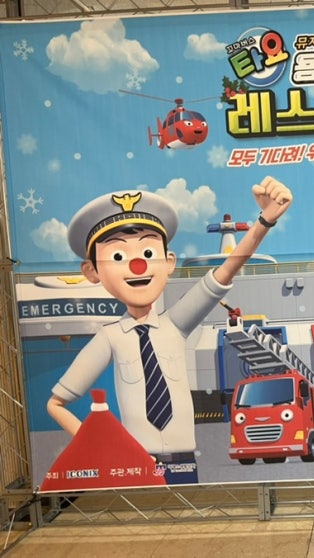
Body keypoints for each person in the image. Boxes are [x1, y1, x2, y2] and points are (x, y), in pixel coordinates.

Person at [47, 177, 292, 484]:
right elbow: (55, 403)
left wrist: (264, 221)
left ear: (169, 262)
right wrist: (110, 451)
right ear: (92, 271)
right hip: (137, 467)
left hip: (184, 463)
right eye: (118, 256)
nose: (137, 265)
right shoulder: (110, 337)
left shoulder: (175, 324)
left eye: (148, 253)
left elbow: (225, 271)